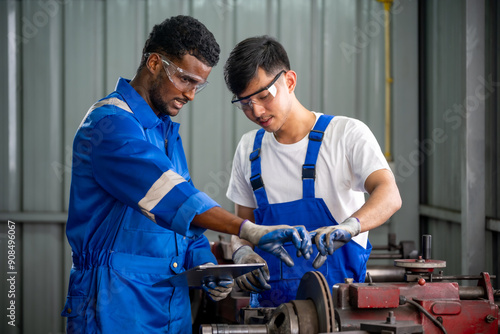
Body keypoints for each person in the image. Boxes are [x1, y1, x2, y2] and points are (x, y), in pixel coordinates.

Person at [61, 18, 312, 333]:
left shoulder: (165, 131)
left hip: (170, 308)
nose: (191, 95)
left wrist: (205, 265)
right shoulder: (109, 126)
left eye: (198, 85)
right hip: (114, 306)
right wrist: (248, 230)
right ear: (154, 63)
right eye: (185, 79)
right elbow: (173, 199)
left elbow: (184, 222)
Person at [224, 35, 402, 307]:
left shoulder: (346, 134)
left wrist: (350, 227)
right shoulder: (249, 148)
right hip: (271, 317)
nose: (257, 111)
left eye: (264, 96)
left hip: (340, 315)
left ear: (290, 81)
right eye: (245, 103)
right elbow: (243, 227)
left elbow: (389, 194)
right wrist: (242, 254)